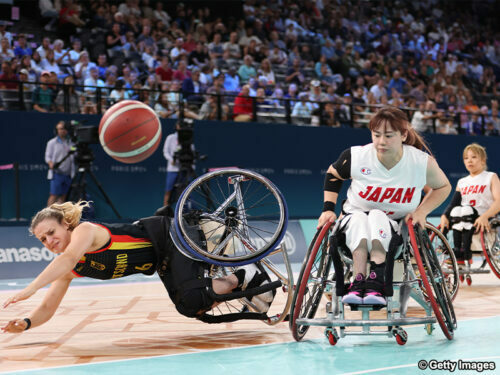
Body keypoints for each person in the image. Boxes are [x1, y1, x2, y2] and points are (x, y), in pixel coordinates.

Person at [1, 200, 275, 333]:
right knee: (190, 307)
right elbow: (48, 309)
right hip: (160, 260)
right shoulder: (72, 267)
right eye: (43, 239)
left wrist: (30, 288)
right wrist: (25, 324)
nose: (49, 241)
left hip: (166, 235)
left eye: (51, 232)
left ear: (66, 224)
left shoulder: (85, 231)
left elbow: (68, 258)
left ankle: (246, 273)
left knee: (192, 296)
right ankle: (241, 278)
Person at [317, 106, 451, 305]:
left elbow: (443, 186)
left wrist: (422, 211)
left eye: (389, 136)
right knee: (362, 217)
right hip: (354, 219)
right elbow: (333, 174)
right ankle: (359, 280)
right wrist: (328, 209)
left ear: (403, 135)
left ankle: (377, 279)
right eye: (376, 135)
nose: (381, 141)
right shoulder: (357, 156)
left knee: (378, 216)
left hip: (395, 225)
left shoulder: (420, 162)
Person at [439, 143, 500, 262]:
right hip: (464, 216)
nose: (469, 161)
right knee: (457, 212)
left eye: (474, 157)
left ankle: (464, 252)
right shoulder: (462, 182)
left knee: (464, 213)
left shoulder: (491, 176)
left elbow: (499, 201)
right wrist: (444, 215)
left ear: (483, 160)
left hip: (484, 216)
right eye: (466, 158)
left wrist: (485, 216)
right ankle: (456, 251)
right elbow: (453, 204)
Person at [45, 121, 75, 206]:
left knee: (64, 196)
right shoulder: (51, 143)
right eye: (61, 129)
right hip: (57, 173)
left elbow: (74, 154)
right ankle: (48, 216)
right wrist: (50, 163)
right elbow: (48, 156)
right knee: (53, 195)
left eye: (65, 129)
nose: (63, 131)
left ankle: (59, 216)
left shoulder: (71, 142)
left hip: (68, 174)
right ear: (57, 130)